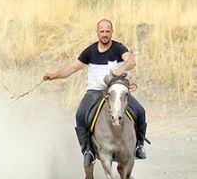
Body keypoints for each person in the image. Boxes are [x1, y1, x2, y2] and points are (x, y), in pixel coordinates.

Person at [43, 19, 147, 167]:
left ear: (112, 32)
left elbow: (131, 61)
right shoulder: (90, 51)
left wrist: (118, 72)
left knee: (140, 111)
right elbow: (72, 68)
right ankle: (88, 152)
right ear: (97, 33)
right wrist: (53, 76)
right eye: (102, 31)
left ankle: (139, 146)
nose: (105, 34)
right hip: (95, 92)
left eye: (107, 31)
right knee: (80, 115)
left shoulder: (119, 48)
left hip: (115, 90)